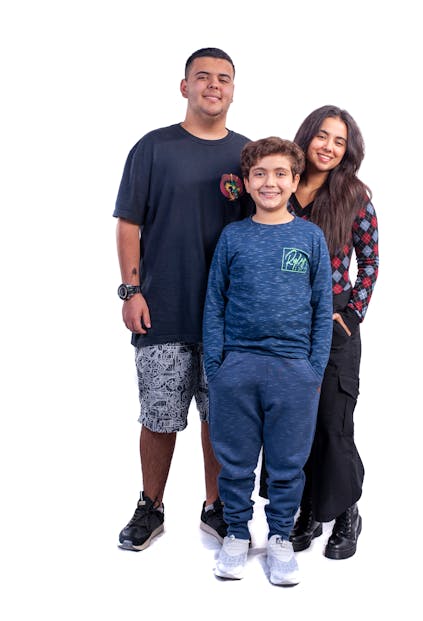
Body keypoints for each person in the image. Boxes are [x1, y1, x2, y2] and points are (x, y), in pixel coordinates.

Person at [113, 47, 251, 551]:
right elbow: (129, 223)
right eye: (203, 77)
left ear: (233, 90)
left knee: (222, 417)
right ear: (184, 86)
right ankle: (151, 505)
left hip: (230, 317)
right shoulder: (153, 148)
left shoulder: (249, 156)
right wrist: (132, 290)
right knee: (159, 415)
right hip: (163, 308)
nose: (214, 85)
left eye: (224, 78)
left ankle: (216, 506)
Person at [203, 137, 333, 585]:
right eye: (260, 173)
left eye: (280, 174)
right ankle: (236, 534)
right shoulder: (233, 236)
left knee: (287, 463)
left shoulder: (309, 238)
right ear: (246, 182)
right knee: (235, 461)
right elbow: (214, 304)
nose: (270, 182)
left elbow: (321, 307)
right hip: (237, 366)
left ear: (295, 181)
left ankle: (279, 538)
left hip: (294, 369)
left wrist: (313, 367)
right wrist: (217, 369)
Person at [263, 105, 379, 560]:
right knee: (294, 425)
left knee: (333, 423)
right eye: (323, 136)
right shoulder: (281, 188)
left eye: (340, 141)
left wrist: (351, 314)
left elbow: (369, 262)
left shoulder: (354, 196)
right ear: (307, 136)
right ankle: (307, 510)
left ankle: (346, 511)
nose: (329, 147)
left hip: (334, 322)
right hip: (282, 323)